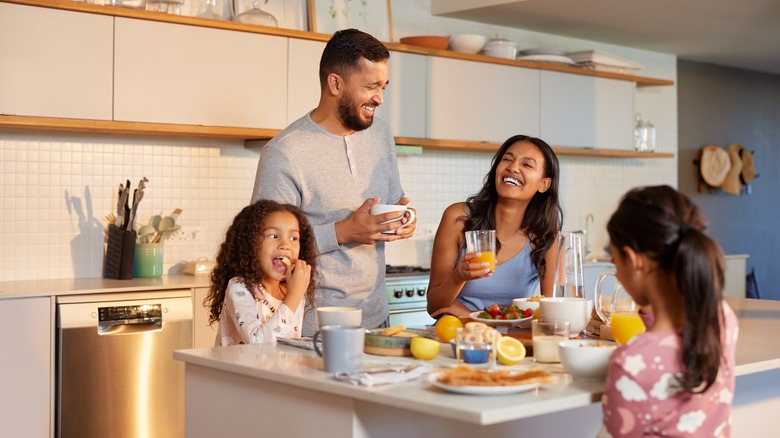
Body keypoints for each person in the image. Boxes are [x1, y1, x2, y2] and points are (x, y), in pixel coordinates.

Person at [251, 29, 416, 336]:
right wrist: (344, 231)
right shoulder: (285, 152)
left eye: (383, 86)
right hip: (314, 326)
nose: (379, 98)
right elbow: (262, 244)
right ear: (335, 84)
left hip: (377, 318)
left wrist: (402, 218)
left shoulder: (380, 135)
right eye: (370, 86)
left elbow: (394, 199)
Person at [600, 185, 738, 437]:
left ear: (633, 259)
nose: (613, 265)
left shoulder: (630, 364)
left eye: (614, 255)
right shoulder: (722, 317)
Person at [426, 134, 562, 318]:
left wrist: (475, 316)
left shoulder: (544, 232)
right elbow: (434, 307)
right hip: (457, 334)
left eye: (527, 164)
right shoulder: (458, 217)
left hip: (511, 341)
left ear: (544, 184)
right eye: (507, 159)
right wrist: (459, 277)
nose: (513, 167)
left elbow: (552, 309)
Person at [204, 200, 317, 346]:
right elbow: (257, 343)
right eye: (273, 236)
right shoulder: (240, 288)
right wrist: (294, 295)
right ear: (250, 243)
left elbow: (289, 343)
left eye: (293, 238)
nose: (285, 245)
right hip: (238, 369)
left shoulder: (291, 289)